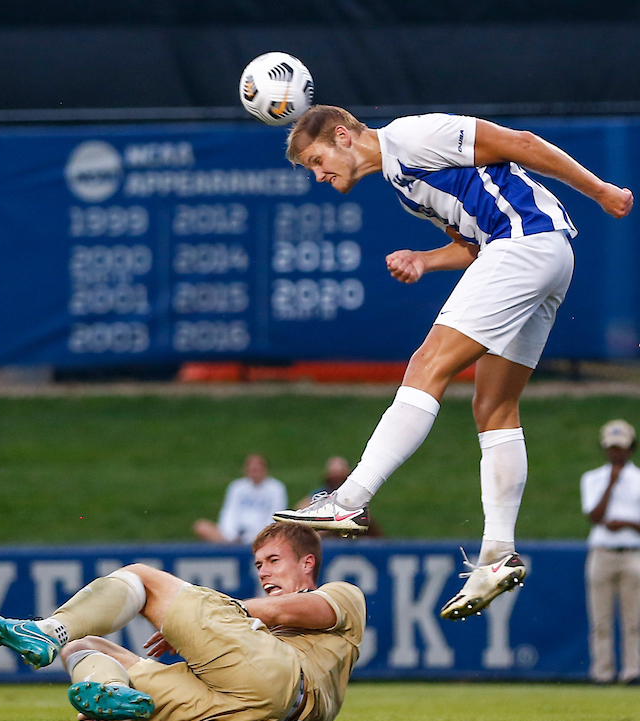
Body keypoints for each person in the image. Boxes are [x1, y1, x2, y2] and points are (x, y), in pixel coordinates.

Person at [271, 105, 633, 621]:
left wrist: (599, 190)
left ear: (343, 135)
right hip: (544, 253)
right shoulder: (402, 180)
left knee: (427, 364)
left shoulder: (414, 136)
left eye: (316, 159)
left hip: (525, 244)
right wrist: (427, 258)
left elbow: (521, 143)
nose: (318, 174)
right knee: (494, 406)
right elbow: (471, 245)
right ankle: (497, 553)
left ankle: (349, 498)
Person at [0, 521, 365, 721]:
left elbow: (293, 610)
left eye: (274, 560)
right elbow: (272, 616)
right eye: (259, 564)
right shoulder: (259, 626)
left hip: (283, 679)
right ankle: (114, 697)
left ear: (308, 563)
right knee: (86, 646)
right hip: (252, 718)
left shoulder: (345, 595)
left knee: (142, 578)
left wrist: (229, 612)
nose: (264, 572)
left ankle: (48, 630)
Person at [580, 419, 640, 684]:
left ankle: (632, 671)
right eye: (612, 448)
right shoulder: (593, 478)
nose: (616, 453)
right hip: (602, 552)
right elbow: (595, 515)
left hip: (633, 552)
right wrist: (611, 483)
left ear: (631, 449)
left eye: (621, 448)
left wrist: (625, 523)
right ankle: (602, 672)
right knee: (600, 619)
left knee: (634, 619)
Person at [193, 453, 288, 544]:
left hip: (261, 534)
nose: (254, 472)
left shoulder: (276, 488)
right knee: (201, 526)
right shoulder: (237, 487)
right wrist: (230, 534)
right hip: (234, 535)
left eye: (257, 469)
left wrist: (253, 536)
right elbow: (229, 511)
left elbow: (275, 516)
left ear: (264, 469)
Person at [296, 456, 383, 538]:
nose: (336, 478)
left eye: (340, 473)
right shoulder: (318, 496)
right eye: (333, 474)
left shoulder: (355, 497)